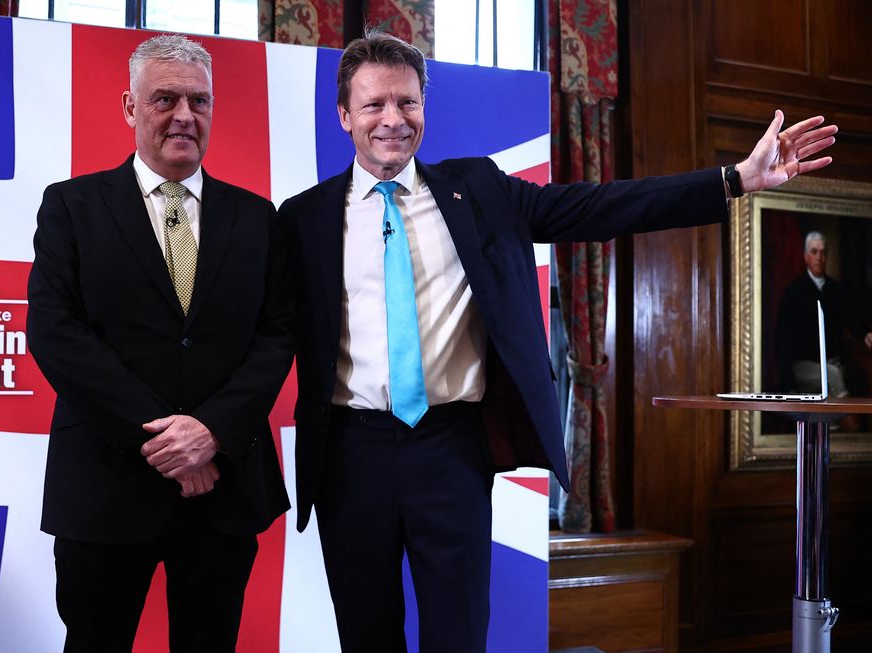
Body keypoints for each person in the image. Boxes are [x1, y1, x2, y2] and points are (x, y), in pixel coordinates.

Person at [277, 30, 837, 653]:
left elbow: (598, 206)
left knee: (458, 636)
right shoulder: (303, 219)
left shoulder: (479, 189)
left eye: (407, 103)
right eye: (375, 104)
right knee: (364, 636)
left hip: (451, 450)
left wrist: (731, 180)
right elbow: (267, 336)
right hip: (350, 454)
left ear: (424, 111)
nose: (393, 119)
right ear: (344, 115)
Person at [26, 34, 292, 652]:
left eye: (199, 102)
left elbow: (277, 335)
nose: (184, 116)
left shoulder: (258, 218)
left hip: (223, 488)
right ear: (128, 106)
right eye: (164, 99)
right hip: (106, 484)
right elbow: (54, 330)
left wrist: (212, 434)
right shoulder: (71, 207)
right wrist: (170, 440)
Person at [775, 231, 872, 398]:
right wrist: (787, 383)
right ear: (806, 257)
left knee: (842, 372)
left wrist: (865, 334)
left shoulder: (836, 289)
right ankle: (851, 424)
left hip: (834, 361)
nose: (819, 257)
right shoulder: (793, 292)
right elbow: (782, 341)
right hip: (803, 365)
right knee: (833, 374)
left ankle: (833, 425)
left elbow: (852, 318)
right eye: (814, 252)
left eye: (822, 252)